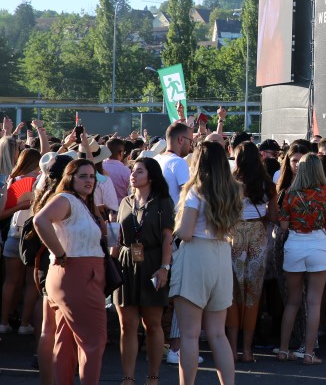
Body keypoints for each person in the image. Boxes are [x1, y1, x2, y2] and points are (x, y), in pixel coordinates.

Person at [170, 141, 243, 385]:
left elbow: (186, 233)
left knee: (190, 335)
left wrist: (174, 229)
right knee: (218, 334)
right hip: (221, 254)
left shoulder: (195, 190)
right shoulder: (234, 190)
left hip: (196, 254)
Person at [32, 158, 107, 385]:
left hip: (74, 275)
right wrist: (60, 253)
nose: (89, 180)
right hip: (76, 274)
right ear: (70, 178)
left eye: (92, 176)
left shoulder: (81, 202)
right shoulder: (67, 199)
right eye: (82, 176)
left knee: (65, 341)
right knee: (93, 341)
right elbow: (40, 220)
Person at [114, 157, 174, 385]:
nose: (133, 174)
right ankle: (128, 378)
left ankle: (153, 378)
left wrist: (164, 268)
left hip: (153, 262)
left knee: (152, 324)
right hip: (126, 263)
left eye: (139, 171)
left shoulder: (163, 202)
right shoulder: (125, 202)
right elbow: (119, 238)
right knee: (127, 325)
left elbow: (168, 237)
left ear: (151, 176)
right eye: (133, 170)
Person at [276, 153, 326, 364]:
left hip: (294, 244)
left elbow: (283, 226)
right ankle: (309, 353)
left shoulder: (289, 194)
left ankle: (283, 350)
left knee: (292, 302)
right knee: (314, 303)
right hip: (318, 245)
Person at [227, 141, 277, 362]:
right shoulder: (267, 185)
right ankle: (247, 350)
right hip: (258, 234)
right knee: (253, 294)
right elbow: (273, 216)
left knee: (233, 293)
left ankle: (231, 349)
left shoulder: (230, 183)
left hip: (234, 235)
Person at [0, 147, 41, 335]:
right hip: (34, 237)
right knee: (31, 283)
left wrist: (18, 207)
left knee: (10, 281)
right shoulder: (41, 183)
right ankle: (25, 324)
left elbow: (2, 213)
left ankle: (3, 321)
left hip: (13, 235)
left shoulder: (12, 181)